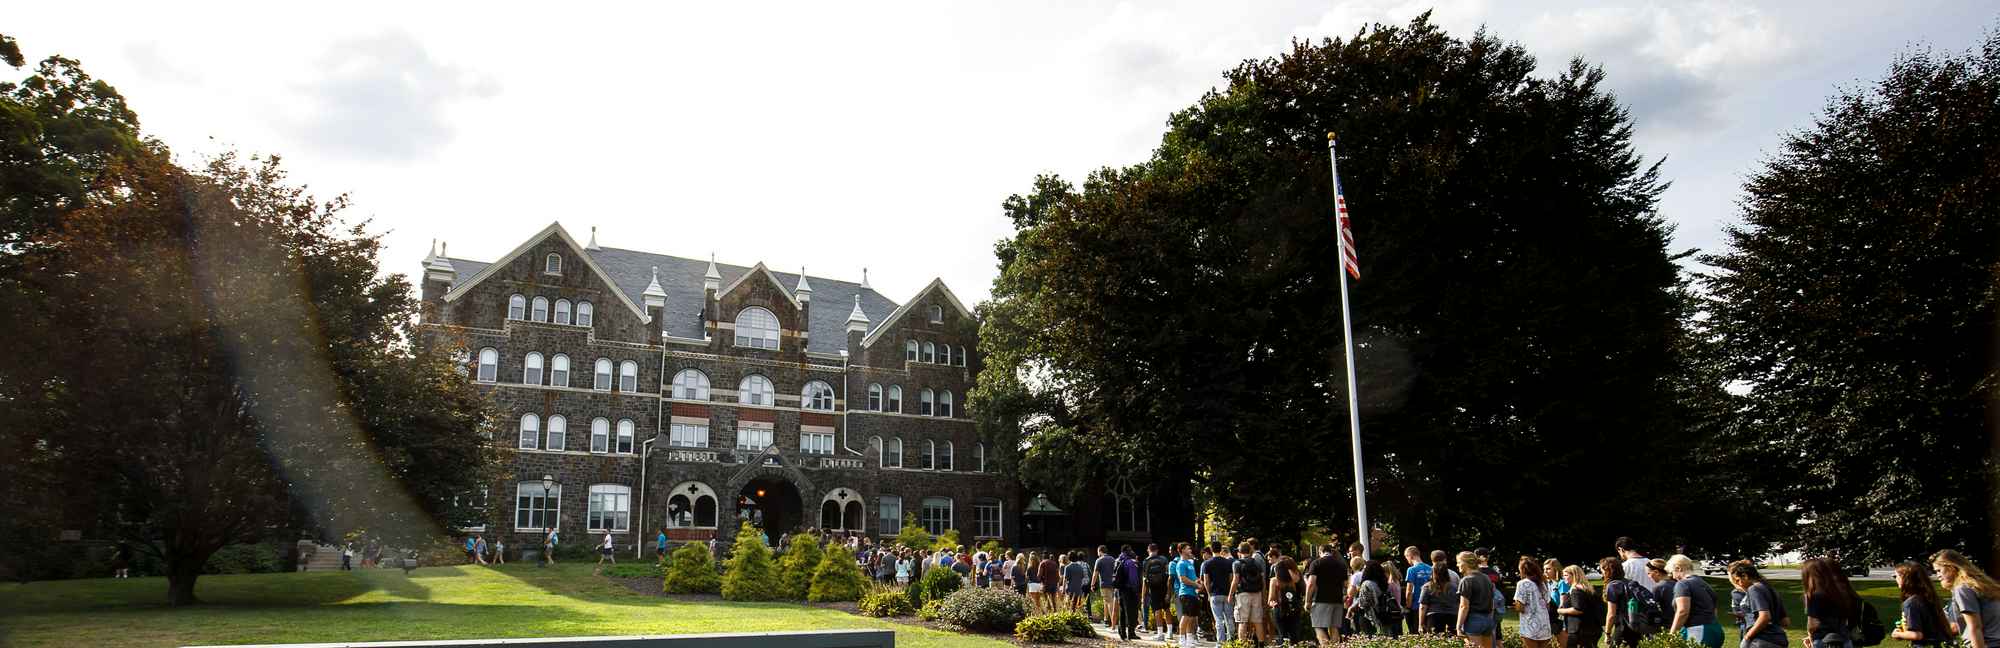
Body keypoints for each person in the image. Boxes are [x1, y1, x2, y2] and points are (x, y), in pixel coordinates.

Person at [1932, 549, 2000, 648]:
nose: (1938, 575)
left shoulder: (1962, 588)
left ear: (1952, 568)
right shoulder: (1980, 586)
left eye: (1939, 570)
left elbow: (1975, 627)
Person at [1802, 558, 1862, 648]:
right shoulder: (1844, 593)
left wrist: (1811, 638)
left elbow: (1812, 625)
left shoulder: (1815, 596)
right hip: (1845, 640)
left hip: (1824, 641)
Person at [1664, 554, 1722, 648]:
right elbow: (1714, 609)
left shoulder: (1683, 584)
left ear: (1678, 568)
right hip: (1715, 628)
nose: (1673, 577)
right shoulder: (1703, 583)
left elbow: (1682, 611)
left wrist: (1672, 635)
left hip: (1698, 630)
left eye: (1672, 572)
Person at [1730, 560, 1788, 648]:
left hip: (1762, 640)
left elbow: (1765, 617)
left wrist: (1747, 637)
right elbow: (1785, 621)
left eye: (1738, 580)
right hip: (1779, 639)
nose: (1738, 584)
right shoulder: (1771, 589)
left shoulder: (1754, 589)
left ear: (1745, 576)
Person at [1891, 561, 1950, 648]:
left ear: (1905, 578)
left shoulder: (1911, 603)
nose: (1895, 579)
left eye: (1895, 576)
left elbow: (1916, 635)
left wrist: (1897, 634)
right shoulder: (1928, 598)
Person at [1308, 543, 1349, 644]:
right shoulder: (1341, 564)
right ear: (1331, 551)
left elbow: (1311, 583)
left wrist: (1307, 601)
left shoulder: (1316, 563)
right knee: (1334, 628)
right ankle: (1335, 646)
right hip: (1337, 600)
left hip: (1320, 599)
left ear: (1320, 552)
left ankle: (1325, 646)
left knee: (1318, 626)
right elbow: (1346, 584)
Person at [1599, 558, 1645, 648]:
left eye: (1602, 570)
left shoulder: (1613, 586)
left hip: (1623, 627)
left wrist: (1607, 633)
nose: (1602, 573)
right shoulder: (1630, 582)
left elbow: (1611, 614)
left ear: (1607, 570)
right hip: (1636, 624)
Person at [1230, 541, 1269, 647]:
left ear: (1240, 551)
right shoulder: (1257, 562)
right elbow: (1263, 580)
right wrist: (1264, 596)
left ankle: (1242, 645)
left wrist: (1230, 595)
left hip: (1243, 594)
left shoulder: (1237, 563)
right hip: (1257, 593)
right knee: (1258, 621)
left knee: (1242, 621)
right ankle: (1261, 645)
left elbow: (1235, 580)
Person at [1559, 565, 1606, 648]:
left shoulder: (1576, 589)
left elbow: (1578, 609)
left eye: (1566, 575)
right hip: (1592, 628)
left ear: (1574, 575)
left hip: (1580, 630)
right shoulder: (1587, 588)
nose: (1564, 577)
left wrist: (1560, 611)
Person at [1456, 551, 1496, 648]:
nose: (1457, 565)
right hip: (1488, 619)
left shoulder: (1466, 580)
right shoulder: (1486, 578)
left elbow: (1464, 606)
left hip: (1473, 620)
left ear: (1465, 563)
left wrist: (1458, 626)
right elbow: (1492, 602)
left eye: (1459, 562)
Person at [1514, 557, 1555, 648]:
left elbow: (1520, 607)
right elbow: (1547, 605)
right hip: (1544, 625)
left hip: (1530, 626)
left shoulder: (1522, 584)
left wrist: (1516, 605)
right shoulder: (1543, 583)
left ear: (1522, 570)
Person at [1269, 550, 1305, 644]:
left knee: (1283, 636)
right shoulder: (1295, 580)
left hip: (1280, 609)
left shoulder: (1275, 581)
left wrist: (1272, 603)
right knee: (1294, 636)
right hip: (1294, 608)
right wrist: (1290, 567)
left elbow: (1270, 600)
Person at [1205, 542, 1238, 644]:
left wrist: (1209, 594)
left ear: (1211, 550)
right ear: (1221, 549)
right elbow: (1231, 578)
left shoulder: (1207, 563)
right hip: (1227, 593)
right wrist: (1230, 593)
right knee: (1229, 618)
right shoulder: (1228, 563)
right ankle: (1231, 640)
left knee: (1218, 620)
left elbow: (1206, 581)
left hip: (1215, 593)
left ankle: (1220, 642)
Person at [1170, 543, 1202, 648]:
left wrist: (1198, 580)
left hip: (1193, 593)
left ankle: (1189, 640)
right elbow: (1182, 579)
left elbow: (1192, 577)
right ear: (1182, 550)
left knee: (1192, 617)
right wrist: (1196, 585)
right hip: (1186, 593)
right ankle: (1182, 640)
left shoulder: (1189, 563)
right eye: (1188, 548)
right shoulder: (1181, 563)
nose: (1190, 550)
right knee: (1186, 616)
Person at [1419, 551, 1459, 634]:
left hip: (1434, 616)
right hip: (1452, 616)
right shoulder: (1454, 586)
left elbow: (1423, 606)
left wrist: (1421, 623)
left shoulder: (1427, 587)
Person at [1355, 559, 1394, 636]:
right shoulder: (1383, 583)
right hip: (1384, 616)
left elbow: (1364, 604)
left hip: (1369, 618)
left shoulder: (1366, 584)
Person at [1141, 544, 1172, 640]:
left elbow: (1145, 579)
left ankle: (1160, 634)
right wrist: (1169, 592)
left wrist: (1143, 595)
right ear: (1157, 550)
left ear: (1148, 550)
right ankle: (1170, 632)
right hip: (1164, 587)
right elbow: (1168, 575)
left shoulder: (1146, 561)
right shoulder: (1163, 559)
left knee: (1157, 611)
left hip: (1153, 589)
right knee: (1167, 609)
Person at [1117, 546, 1143, 641]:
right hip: (1130, 590)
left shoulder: (1118, 560)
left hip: (1120, 590)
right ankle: (1131, 633)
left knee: (1122, 612)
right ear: (1128, 551)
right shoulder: (1130, 563)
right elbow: (1133, 579)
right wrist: (1137, 590)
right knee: (1131, 612)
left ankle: (1122, 632)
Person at [1406, 546, 1433, 635]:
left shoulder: (1411, 570)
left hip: (1416, 605)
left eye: (1407, 557)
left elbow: (1409, 590)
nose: (1407, 561)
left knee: (1417, 633)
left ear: (1411, 556)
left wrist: (1408, 605)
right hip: (1430, 604)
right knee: (1429, 633)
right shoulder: (1431, 568)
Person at [1095, 545, 1120, 628]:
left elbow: (1095, 573)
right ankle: (1106, 620)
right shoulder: (1113, 559)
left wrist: (1092, 584)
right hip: (1113, 583)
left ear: (1100, 551)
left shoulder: (1099, 560)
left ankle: (1113, 623)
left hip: (1104, 584)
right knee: (1108, 601)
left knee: (1109, 602)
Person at [1546, 558, 1569, 647]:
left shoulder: (1562, 582)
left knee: (1563, 645)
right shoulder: (1549, 583)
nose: (1545, 571)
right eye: (1544, 569)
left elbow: (1563, 604)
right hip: (1551, 617)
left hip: (1561, 619)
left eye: (1548, 569)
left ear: (1556, 569)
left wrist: (1560, 621)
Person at [1038, 551, 1061, 616]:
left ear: (1043, 557)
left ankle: (1048, 614)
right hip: (1054, 584)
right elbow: (1058, 575)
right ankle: (1055, 613)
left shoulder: (1042, 563)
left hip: (1046, 584)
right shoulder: (1054, 563)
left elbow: (1039, 575)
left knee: (1046, 599)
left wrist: (1040, 580)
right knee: (1053, 600)